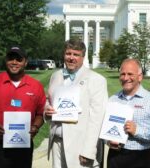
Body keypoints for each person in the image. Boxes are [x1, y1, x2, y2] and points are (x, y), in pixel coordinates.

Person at [0, 46, 46, 168]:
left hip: (23, 145)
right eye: (11, 58)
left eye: (19, 59)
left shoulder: (36, 86)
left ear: (25, 62)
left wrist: (36, 126)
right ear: (6, 60)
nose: (14, 62)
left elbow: (40, 113)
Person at [44, 39, 108, 168]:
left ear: (83, 57)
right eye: (68, 54)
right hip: (56, 143)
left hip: (80, 147)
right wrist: (47, 110)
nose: (71, 58)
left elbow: (97, 118)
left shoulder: (96, 80)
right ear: (64, 55)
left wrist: (88, 151)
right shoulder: (55, 76)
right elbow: (48, 100)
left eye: (76, 54)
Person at [107, 58, 150, 168]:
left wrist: (138, 131)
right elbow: (105, 126)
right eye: (122, 74)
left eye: (130, 74)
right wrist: (108, 140)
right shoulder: (113, 99)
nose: (126, 78)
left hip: (140, 157)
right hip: (115, 156)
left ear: (140, 77)